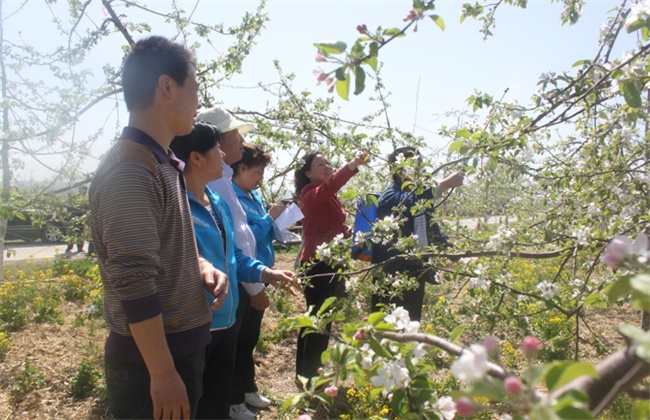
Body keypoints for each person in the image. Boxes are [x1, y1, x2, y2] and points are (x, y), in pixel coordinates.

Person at [88, 36, 228, 420]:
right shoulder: (132, 169)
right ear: (167, 86)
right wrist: (163, 372)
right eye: (195, 88)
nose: (198, 101)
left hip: (172, 352)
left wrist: (200, 267)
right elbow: (133, 277)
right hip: (152, 364)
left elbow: (159, 249)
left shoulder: (160, 161)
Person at [169, 123, 294, 420]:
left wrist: (265, 273)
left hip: (227, 320)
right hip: (197, 325)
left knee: (217, 404)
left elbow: (234, 256)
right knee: (195, 405)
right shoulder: (175, 205)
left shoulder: (218, 204)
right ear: (197, 158)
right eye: (217, 148)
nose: (224, 154)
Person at [195, 107, 274, 419]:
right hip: (219, 295)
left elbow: (236, 245)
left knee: (235, 351)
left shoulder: (221, 183)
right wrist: (255, 284)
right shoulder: (211, 184)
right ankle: (233, 401)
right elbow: (230, 245)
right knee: (217, 368)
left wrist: (263, 275)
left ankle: (236, 397)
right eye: (233, 134)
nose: (241, 141)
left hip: (233, 287)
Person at [294, 150, 369, 381]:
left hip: (332, 262)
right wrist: (352, 165)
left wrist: (351, 233)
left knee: (319, 319)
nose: (326, 166)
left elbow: (332, 226)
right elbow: (328, 188)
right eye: (320, 164)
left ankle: (306, 372)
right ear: (307, 173)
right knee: (318, 320)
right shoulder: (309, 193)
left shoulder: (330, 196)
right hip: (317, 264)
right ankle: (311, 375)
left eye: (328, 162)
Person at [371, 146, 464, 322]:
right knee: (388, 324)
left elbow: (432, 228)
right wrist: (446, 184)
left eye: (421, 166)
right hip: (393, 270)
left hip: (416, 268)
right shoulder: (391, 195)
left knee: (411, 322)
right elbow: (412, 201)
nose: (420, 171)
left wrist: (450, 249)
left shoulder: (421, 199)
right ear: (398, 170)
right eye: (415, 166)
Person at [230, 143, 285, 411]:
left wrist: (277, 223)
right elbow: (247, 237)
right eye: (258, 170)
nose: (261, 176)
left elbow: (264, 233)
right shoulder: (232, 198)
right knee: (238, 339)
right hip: (245, 279)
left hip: (260, 275)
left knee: (250, 337)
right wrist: (269, 218)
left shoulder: (253, 197)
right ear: (240, 168)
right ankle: (233, 398)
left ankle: (247, 388)